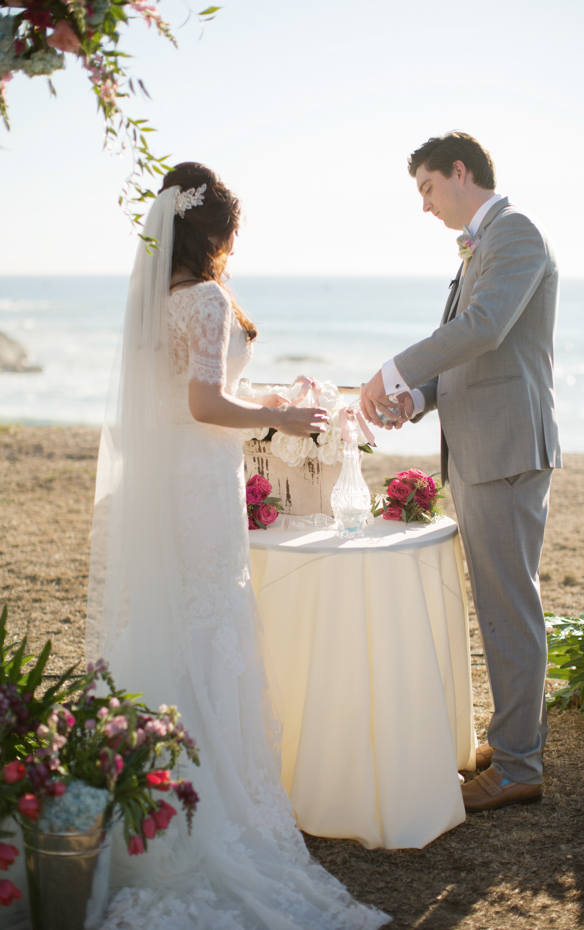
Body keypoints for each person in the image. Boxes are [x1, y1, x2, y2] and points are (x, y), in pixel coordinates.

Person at [86, 162, 389, 929]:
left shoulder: (151, 303)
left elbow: (177, 398)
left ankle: (151, 779)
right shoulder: (211, 298)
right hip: (200, 482)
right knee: (212, 617)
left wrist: (260, 403)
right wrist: (278, 420)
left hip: (170, 480)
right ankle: (214, 794)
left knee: (174, 619)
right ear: (216, 231)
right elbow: (204, 401)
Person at [361, 132, 561, 812]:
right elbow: (468, 359)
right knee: (499, 605)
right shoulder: (479, 246)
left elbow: (484, 327)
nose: (424, 205)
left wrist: (393, 370)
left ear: (459, 171)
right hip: (480, 449)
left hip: (506, 449)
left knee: (510, 606)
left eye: (426, 187)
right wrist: (415, 399)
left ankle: (517, 768)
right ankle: (513, 743)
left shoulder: (517, 233)